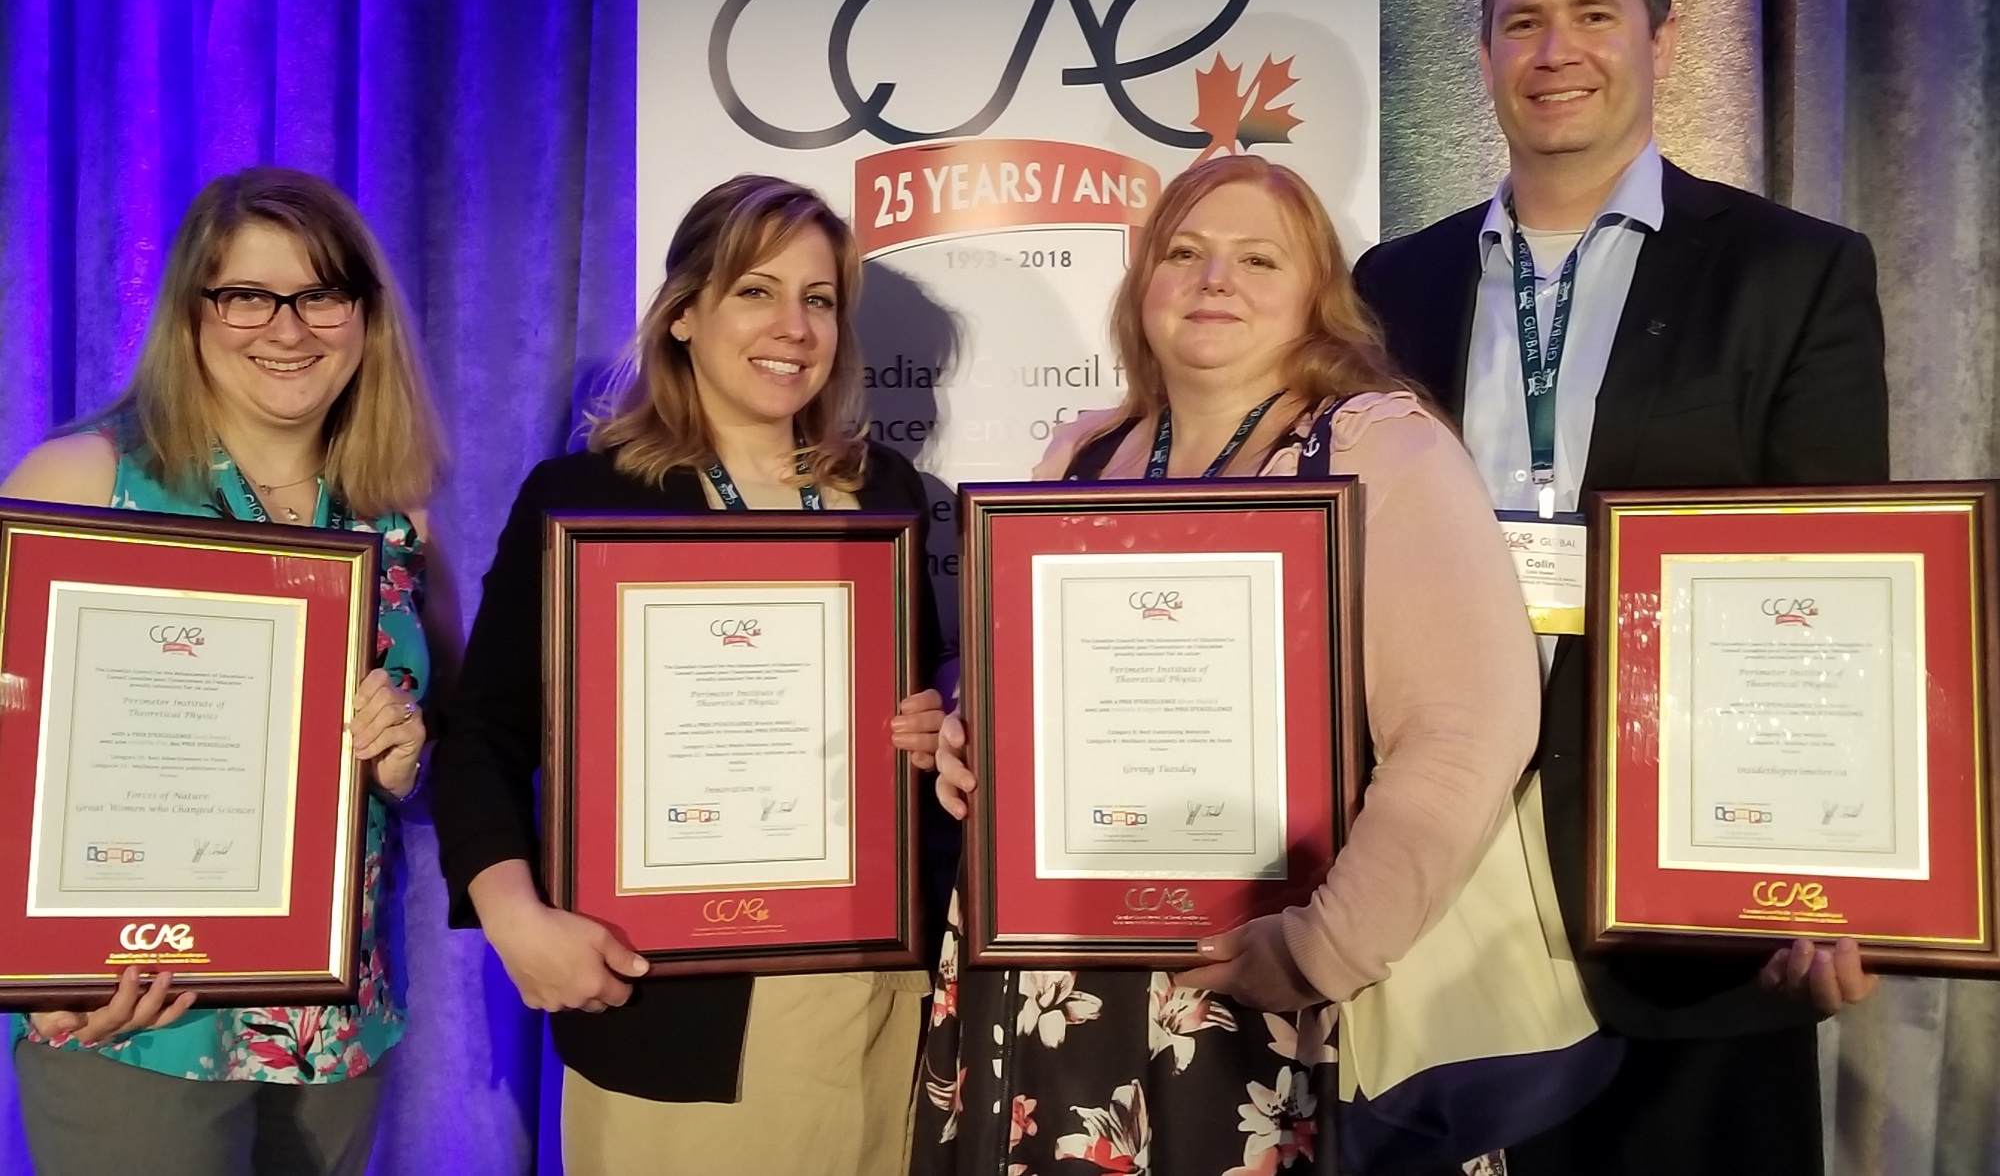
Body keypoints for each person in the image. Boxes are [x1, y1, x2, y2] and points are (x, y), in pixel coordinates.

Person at [1351, 0, 1885, 1176]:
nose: (1555, 51)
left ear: (1658, 34)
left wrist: (1833, 869)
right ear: (1481, 54)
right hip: (1439, 881)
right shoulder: (1389, 287)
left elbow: (1836, 591)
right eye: (1520, 23)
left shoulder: (1787, 271)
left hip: (1691, 897)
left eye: (1593, 14)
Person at [914, 153, 1544, 1176]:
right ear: (1142, 285)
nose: (1215, 280)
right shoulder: (1078, 455)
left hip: (1277, 985)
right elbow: (1016, 688)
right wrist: (965, 727)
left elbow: (1468, 728)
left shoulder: (1379, 448)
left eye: (1258, 258)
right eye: (1185, 253)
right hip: (1061, 983)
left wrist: (1320, 948)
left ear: (1316, 298)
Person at [430, 174, 949, 1176]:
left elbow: (918, 704)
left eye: (819, 299)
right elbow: (482, 731)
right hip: (669, 1003)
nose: (792, 326)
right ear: (683, 315)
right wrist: (511, 913)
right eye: (756, 290)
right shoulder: (584, 497)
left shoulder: (879, 493)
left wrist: (934, 724)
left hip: (873, 994)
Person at [1, 168, 450, 1176]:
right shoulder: (83, 481)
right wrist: (25, 965)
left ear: (363, 316)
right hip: (136, 1019)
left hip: (337, 1024)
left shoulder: (391, 514)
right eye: (247, 295)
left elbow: (430, 769)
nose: (286, 329)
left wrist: (401, 763)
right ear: (192, 314)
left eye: (320, 295)